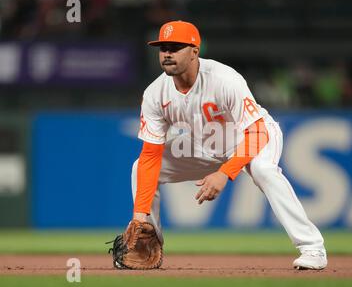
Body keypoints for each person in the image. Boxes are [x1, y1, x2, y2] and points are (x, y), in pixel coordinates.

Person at [114, 20, 327, 270]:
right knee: (140, 167)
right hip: (202, 145)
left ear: (195, 51)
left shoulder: (224, 79)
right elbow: (151, 156)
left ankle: (313, 248)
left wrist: (226, 172)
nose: (167, 53)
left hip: (250, 136)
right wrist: (140, 215)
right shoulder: (155, 94)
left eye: (175, 47)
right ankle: (148, 243)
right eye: (163, 48)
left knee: (263, 170)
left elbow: (257, 132)